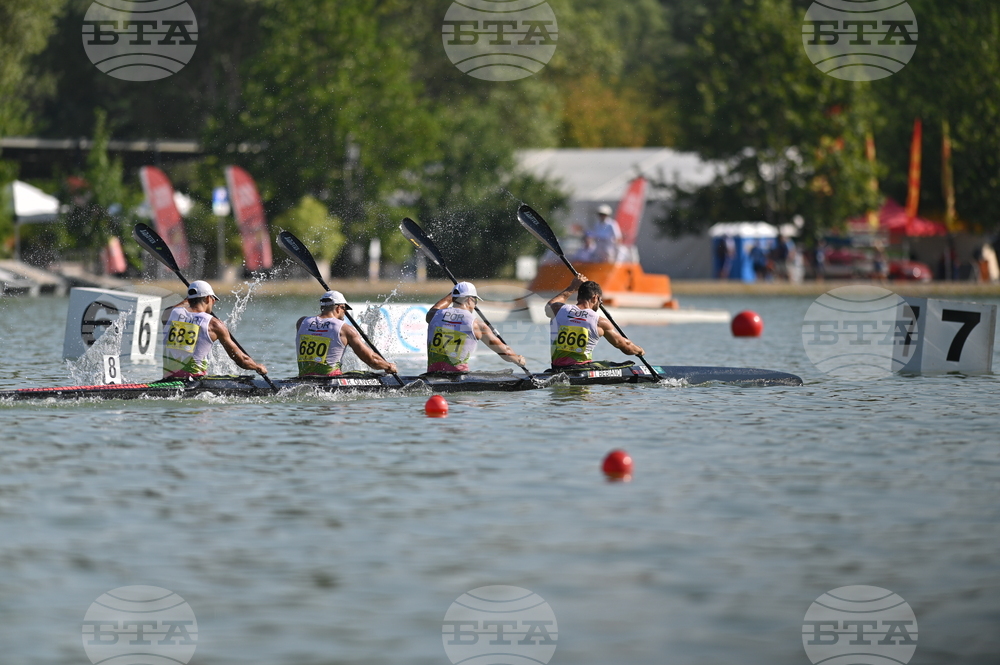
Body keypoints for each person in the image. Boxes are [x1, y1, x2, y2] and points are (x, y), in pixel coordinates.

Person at [162, 280, 267, 380]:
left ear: (188, 300)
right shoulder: (214, 324)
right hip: (195, 381)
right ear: (208, 299)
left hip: (168, 379)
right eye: (213, 299)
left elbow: (180, 307)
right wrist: (257, 367)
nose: (213, 303)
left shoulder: (170, 313)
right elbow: (241, 360)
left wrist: (191, 297)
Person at [546, 275, 645, 370]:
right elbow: (624, 346)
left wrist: (572, 287)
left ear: (578, 297)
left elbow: (550, 304)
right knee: (617, 364)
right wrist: (639, 350)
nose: (600, 303)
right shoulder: (600, 322)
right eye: (600, 300)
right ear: (595, 298)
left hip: (556, 368)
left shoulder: (559, 310)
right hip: (581, 370)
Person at [425, 282, 526, 373]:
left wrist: (452, 295)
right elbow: (505, 352)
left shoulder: (434, 315)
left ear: (453, 298)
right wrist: (518, 359)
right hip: (458, 378)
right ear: (469, 300)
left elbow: (436, 307)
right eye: (475, 301)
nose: (475, 305)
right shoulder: (476, 325)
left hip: (432, 374)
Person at [295, 290, 398, 377]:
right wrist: (389, 366)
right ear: (339, 308)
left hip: (304, 378)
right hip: (331, 380)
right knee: (368, 374)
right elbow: (371, 360)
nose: (345, 312)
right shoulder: (345, 329)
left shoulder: (302, 322)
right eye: (345, 309)